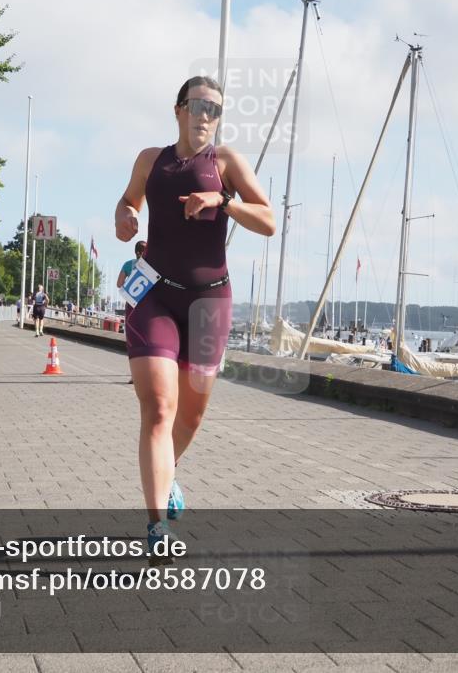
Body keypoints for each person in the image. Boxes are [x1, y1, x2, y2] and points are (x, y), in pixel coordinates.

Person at [114, 75, 275, 561]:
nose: (207, 115)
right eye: (200, 105)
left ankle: (168, 474)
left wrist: (224, 201)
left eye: (216, 109)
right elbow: (128, 203)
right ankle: (157, 525)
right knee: (159, 409)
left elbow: (268, 220)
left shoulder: (226, 163)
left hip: (210, 302)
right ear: (179, 109)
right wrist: (124, 216)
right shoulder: (151, 160)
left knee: (192, 414)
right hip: (155, 297)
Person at [118, 241, 147, 384]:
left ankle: (135, 375)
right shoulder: (151, 267)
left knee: (133, 341)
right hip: (149, 307)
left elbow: (119, 283)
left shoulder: (128, 265)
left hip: (132, 305)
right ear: (142, 252)